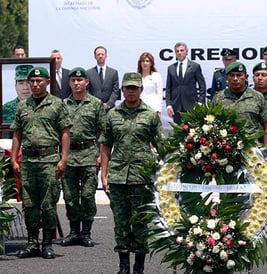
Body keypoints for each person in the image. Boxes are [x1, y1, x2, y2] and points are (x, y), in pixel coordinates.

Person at [100, 72, 162, 274]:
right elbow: (106, 146)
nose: (131, 91)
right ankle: (123, 266)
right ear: (123, 90)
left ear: (141, 90)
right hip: (118, 176)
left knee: (141, 223)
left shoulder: (150, 115)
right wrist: (104, 174)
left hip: (142, 177)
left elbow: (161, 146)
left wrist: (163, 175)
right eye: (128, 88)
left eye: (135, 88)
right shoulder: (113, 115)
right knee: (121, 224)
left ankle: (139, 267)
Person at [10, 66, 72, 259]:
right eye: (32, 81)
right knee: (29, 204)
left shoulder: (57, 104)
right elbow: (17, 134)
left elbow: (65, 132)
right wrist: (13, 159)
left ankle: (46, 244)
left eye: (39, 81)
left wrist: (63, 159)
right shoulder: (23, 105)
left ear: (47, 82)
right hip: (28, 161)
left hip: (49, 161)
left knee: (48, 204)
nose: (35, 84)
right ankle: (32, 243)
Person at [60, 67, 105, 248]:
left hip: (88, 154)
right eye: (73, 80)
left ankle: (86, 233)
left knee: (87, 195)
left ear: (86, 82)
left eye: (80, 80)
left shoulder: (95, 104)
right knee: (70, 196)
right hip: (69, 155)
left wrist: (101, 156)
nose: (76, 83)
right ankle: (73, 232)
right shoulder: (63, 104)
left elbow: (102, 131)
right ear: (70, 83)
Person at [212, 61, 267, 144]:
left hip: (251, 148)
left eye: (239, 75)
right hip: (226, 148)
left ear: (246, 77)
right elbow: (212, 125)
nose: (235, 79)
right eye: (232, 75)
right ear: (227, 78)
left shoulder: (257, 97)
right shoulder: (218, 98)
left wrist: (266, 150)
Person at [165, 42, 206, 124]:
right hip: (176, 107)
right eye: (177, 51)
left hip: (191, 106)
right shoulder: (171, 68)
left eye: (182, 50)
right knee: (178, 133)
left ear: (186, 52)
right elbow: (168, 88)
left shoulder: (195, 66)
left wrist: (200, 103)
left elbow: (202, 85)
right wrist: (168, 105)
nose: (180, 53)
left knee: (192, 133)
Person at [87, 46, 120, 111]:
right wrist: (94, 104)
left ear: (106, 56)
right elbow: (87, 91)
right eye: (98, 54)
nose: (100, 56)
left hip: (110, 109)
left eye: (102, 54)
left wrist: (109, 104)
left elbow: (115, 91)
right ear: (95, 57)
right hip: (93, 108)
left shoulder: (113, 72)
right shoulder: (89, 73)